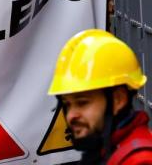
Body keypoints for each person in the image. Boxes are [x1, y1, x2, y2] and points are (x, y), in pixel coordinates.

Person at [48, 29, 151, 164]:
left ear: (118, 100)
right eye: (67, 104)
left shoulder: (140, 160)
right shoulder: (107, 148)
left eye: (82, 103)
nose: (71, 116)